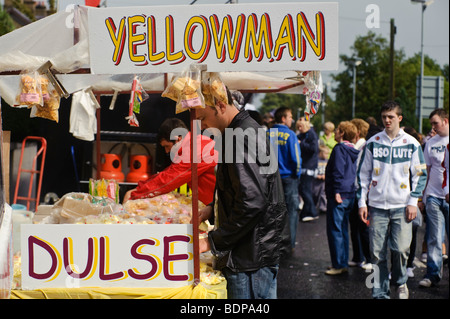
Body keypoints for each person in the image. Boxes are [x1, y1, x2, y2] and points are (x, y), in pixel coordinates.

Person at [195, 88, 288, 299]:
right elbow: (243, 190)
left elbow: (252, 202)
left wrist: (212, 241)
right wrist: (212, 208)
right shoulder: (238, 132)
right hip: (252, 252)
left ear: (220, 105)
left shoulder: (240, 137)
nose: (201, 126)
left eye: (202, 118)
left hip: (250, 258)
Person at [357, 101, 427, 299]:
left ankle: (400, 280)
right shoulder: (373, 142)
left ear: (399, 118)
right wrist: (362, 202)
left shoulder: (412, 144)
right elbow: (363, 175)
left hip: (402, 206)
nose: (387, 120)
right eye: (384, 117)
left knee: (401, 249)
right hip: (377, 206)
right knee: (377, 253)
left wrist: (414, 201)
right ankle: (380, 293)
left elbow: (420, 175)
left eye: (391, 117)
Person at [123, 118, 217, 205]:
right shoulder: (194, 143)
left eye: (167, 146)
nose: (166, 151)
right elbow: (168, 173)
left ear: (178, 139)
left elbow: (168, 179)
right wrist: (139, 188)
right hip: (214, 204)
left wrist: (136, 194)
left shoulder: (196, 147)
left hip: (222, 205)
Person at [418, 109, 449, 288]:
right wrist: (422, 196)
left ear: (445, 121)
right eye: (431, 124)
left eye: (435, 123)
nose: (433, 127)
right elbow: (426, 171)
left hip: (449, 195)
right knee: (434, 238)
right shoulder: (430, 143)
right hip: (433, 196)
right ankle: (433, 274)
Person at [324, 121, 360, 275]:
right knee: (343, 229)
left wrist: (336, 191)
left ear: (342, 133)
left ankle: (338, 264)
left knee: (335, 229)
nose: (335, 132)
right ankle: (342, 261)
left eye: (338, 130)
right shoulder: (353, 150)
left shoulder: (339, 149)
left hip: (339, 193)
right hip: (350, 193)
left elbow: (337, 171)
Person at [268, 107, 301, 253]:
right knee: (291, 212)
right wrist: (297, 174)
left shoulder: (266, 133)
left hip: (271, 178)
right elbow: (296, 159)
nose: (291, 120)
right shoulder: (290, 135)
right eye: (290, 117)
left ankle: (274, 243)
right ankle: (289, 243)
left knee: (273, 211)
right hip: (288, 177)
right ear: (283, 118)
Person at [348, 118, 371, 268]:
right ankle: (358, 257)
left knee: (363, 227)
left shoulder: (364, 146)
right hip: (354, 188)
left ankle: (368, 258)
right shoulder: (357, 145)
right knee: (354, 226)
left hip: (361, 190)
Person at [297, 117, 319, 222]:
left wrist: (300, 143)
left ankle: (312, 211)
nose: (299, 128)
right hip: (306, 166)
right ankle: (307, 212)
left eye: (300, 126)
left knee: (305, 190)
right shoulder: (306, 134)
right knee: (305, 190)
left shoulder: (311, 134)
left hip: (308, 166)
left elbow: (313, 149)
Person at [312, 145, 329, 214]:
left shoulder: (327, 161)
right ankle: (313, 206)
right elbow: (313, 169)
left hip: (324, 181)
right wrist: (317, 175)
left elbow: (329, 170)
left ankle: (323, 207)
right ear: (320, 153)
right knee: (314, 194)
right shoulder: (316, 160)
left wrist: (326, 175)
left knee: (323, 193)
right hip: (316, 181)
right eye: (325, 153)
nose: (327, 155)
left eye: (328, 153)